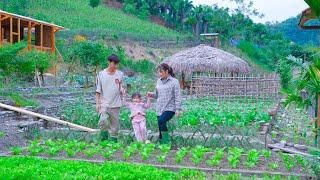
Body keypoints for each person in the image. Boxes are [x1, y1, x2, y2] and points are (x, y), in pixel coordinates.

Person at [147, 63, 182, 144]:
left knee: (161, 120)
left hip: (170, 108)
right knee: (160, 126)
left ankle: (166, 142)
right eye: (158, 72)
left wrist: (178, 109)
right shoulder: (158, 81)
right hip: (160, 107)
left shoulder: (174, 82)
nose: (159, 74)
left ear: (167, 71)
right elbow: (157, 95)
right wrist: (151, 94)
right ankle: (162, 145)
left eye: (161, 72)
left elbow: (178, 96)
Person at [96, 54, 124, 142]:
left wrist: (122, 90)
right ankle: (103, 141)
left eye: (117, 64)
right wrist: (97, 103)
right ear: (109, 62)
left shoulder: (120, 74)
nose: (116, 66)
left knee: (115, 128)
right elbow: (98, 91)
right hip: (104, 104)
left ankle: (113, 147)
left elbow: (120, 86)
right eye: (114, 63)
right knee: (103, 121)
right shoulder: (101, 74)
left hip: (116, 104)